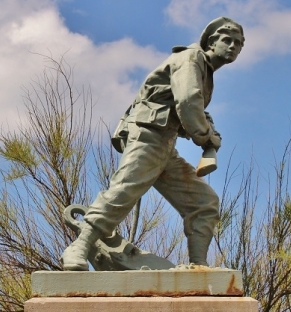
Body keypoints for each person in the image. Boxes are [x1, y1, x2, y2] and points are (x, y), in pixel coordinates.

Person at [62, 17, 244, 271]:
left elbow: (190, 110)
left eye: (239, 44)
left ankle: (198, 267)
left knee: (204, 202)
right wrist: (206, 138)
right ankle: (78, 248)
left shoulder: (204, 71)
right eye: (227, 40)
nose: (233, 46)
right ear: (211, 42)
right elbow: (189, 103)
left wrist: (209, 132)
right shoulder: (190, 59)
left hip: (164, 142)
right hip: (148, 134)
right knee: (125, 189)